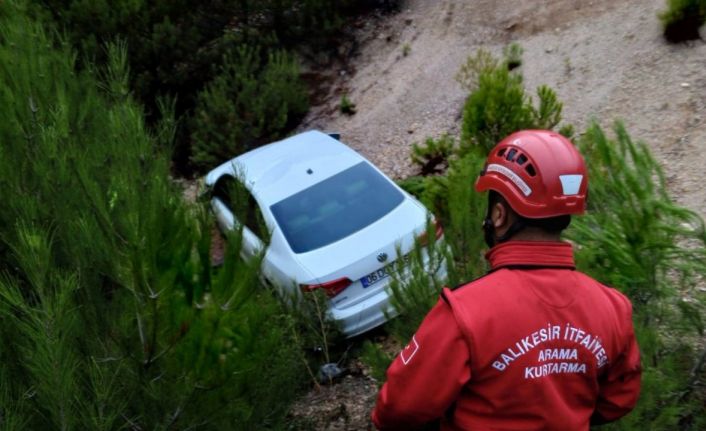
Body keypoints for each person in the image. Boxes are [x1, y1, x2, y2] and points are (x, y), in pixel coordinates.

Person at [371, 130, 641, 430]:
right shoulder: (613, 307)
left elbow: (398, 409)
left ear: (499, 215)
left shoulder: (464, 312)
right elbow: (619, 399)